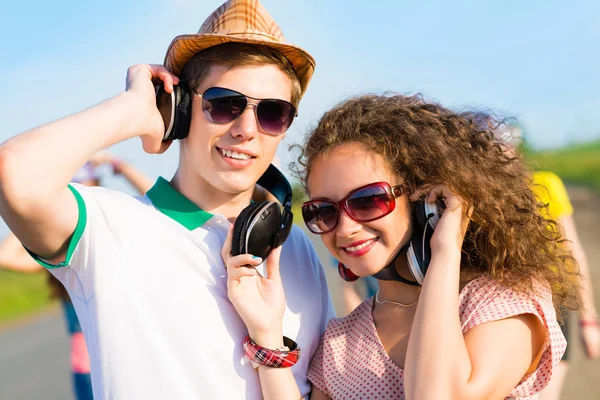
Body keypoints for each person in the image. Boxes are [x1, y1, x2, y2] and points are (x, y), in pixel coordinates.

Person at [0, 0, 333, 398]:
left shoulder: (293, 246)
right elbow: (15, 176)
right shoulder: (108, 228)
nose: (246, 129)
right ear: (182, 107)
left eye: (272, 113)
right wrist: (134, 109)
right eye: (225, 104)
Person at [223, 93, 581, 399]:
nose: (345, 228)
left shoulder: (501, 301)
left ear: (426, 200)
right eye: (324, 211)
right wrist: (267, 332)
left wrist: (444, 252)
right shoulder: (339, 341)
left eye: (367, 200)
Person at [0, 153, 152, 400]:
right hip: (87, 370)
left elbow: (162, 214)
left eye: (83, 187)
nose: (77, 197)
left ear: (96, 189)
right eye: (69, 191)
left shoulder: (120, 238)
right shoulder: (61, 254)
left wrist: (120, 165)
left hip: (130, 363)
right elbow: (5, 256)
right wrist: (36, 217)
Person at [497, 126, 600, 400]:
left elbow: (572, 249)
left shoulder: (545, 184)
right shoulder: (482, 196)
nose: (501, 152)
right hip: (508, 301)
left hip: (555, 299)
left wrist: (589, 321)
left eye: (506, 144)